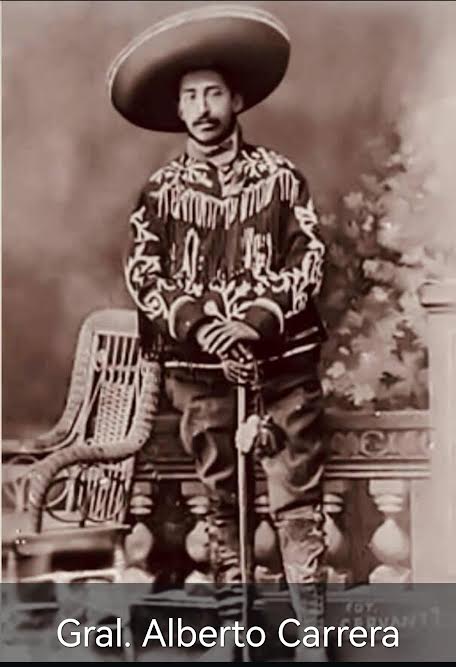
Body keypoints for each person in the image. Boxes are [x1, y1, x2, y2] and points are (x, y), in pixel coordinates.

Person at [109, 4, 329, 661]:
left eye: (212, 94)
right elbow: (144, 273)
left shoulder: (282, 179)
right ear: (178, 110)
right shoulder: (159, 193)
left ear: (237, 100)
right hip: (201, 375)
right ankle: (234, 633)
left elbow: (309, 258)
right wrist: (201, 325)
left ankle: (313, 640)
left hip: (283, 371)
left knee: (296, 501)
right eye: (190, 97)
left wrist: (255, 321)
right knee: (221, 502)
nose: (202, 108)